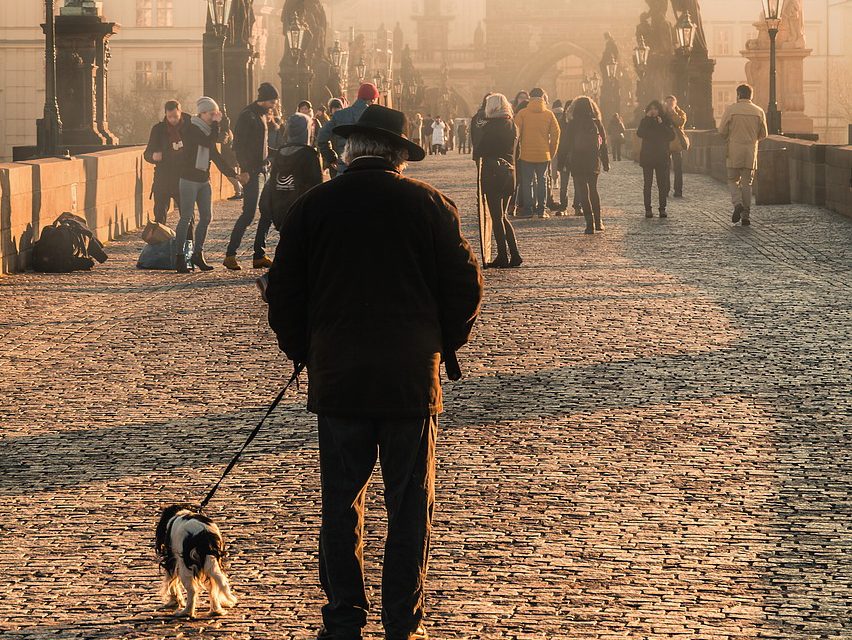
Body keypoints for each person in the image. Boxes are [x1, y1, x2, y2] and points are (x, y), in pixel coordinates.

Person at [265, 104, 483, 640]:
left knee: (341, 506)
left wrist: (305, 352)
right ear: (399, 157)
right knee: (409, 508)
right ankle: (401, 623)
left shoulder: (313, 206)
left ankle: (342, 620)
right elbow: (466, 289)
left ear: (349, 152)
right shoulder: (431, 206)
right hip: (410, 380)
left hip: (339, 380)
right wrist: (439, 344)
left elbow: (284, 295)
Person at [176, 96, 245, 273]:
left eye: (216, 114)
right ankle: (180, 257)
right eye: (212, 114)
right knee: (186, 218)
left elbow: (216, 157)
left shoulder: (206, 131)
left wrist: (234, 175)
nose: (215, 116)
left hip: (203, 180)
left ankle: (197, 254)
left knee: (206, 217)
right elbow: (208, 142)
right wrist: (216, 125)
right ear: (203, 113)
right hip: (188, 179)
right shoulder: (192, 128)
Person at [224, 82, 281, 271]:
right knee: (248, 214)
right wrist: (245, 170)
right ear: (265, 99)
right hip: (253, 171)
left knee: (267, 212)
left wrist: (277, 152)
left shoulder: (262, 115)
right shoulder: (247, 115)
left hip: (264, 169)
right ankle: (230, 254)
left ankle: (259, 255)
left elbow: (261, 146)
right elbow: (238, 146)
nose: (275, 104)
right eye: (273, 100)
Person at [477, 94, 523, 268]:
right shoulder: (513, 126)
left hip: (493, 174)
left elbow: (480, 150)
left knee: (496, 217)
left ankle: (503, 256)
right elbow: (517, 152)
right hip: (510, 173)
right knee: (502, 216)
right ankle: (515, 254)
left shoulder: (491, 127)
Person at [260, 112, 323, 232]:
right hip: (301, 211)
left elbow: (274, 181)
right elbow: (316, 186)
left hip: (280, 211)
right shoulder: (309, 155)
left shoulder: (281, 152)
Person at [719, 83, 767, 226]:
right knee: (747, 184)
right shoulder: (759, 111)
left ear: (738, 95)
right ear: (751, 95)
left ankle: (737, 203)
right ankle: (746, 216)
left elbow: (722, 131)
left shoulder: (731, 110)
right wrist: (752, 139)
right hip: (751, 151)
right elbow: (764, 134)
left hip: (734, 150)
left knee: (732, 180)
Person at [562, 96, 610, 234]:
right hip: (592, 159)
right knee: (593, 190)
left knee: (583, 192)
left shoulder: (572, 123)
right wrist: (605, 163)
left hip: (577, 160)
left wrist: (562, 163)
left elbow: (566, 145)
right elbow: (603, 144)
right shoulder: (596, 122)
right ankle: (598, 221)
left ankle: (589, 224)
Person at [513, 87, 560, 219]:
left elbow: (515, 133)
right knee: (542, 182)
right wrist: (551, 152)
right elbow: (556, 134)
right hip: (543, 154)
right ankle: (541, 210)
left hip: (526, 154)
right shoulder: (549, 114)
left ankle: (528, 210)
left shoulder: (522, 113)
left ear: (530, 98)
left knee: (527, 183)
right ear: (543, 98)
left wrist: (517, 149)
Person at [143, 100, 191, 224]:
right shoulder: (158, 129)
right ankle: (161, 243)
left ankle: (188, 244)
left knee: (188, 218)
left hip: (183, 178)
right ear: (165, 114)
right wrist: (153, 156)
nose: (173, 120)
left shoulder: (189, 128)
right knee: (159, 216)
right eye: (170, 117)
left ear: (180, 112)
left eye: (175, 116)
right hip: (163, 178)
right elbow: (147, 154)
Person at [316, 83, 380, 175]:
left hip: (345, 168)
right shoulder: (375, 117)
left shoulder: (340, 115)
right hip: (370, 170)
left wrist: (331, 157)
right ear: (372, 99)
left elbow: (321, 137)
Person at [636, 100, 675, 218]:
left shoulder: (665, 120)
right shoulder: (645, 121)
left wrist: (661, 124)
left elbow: (671, 136)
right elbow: (640, 133)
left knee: (661, 185)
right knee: (647, 184)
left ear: (659, 110)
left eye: (655, 109)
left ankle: (662, 209)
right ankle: (648, 209)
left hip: (661, 156)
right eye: (651, 109)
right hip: (648, 157)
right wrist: (647, 120)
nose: (653, 111)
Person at [664, 95, 688, 197]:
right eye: (668, 102)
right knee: (665, 168)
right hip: (664, 144)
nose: (669, 104)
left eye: (671, 102)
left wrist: (673, 112)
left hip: (676, 144)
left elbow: (680, 122)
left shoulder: (681, 113)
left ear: (675, 103)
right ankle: (665, 190)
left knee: (678, 169)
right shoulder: (662, 113)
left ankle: (678, 190)